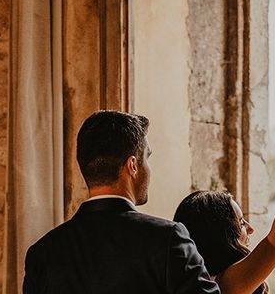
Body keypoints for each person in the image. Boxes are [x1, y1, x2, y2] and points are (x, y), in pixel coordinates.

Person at [23, 110, 220, 294]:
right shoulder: (168, 239)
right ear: (132, 165)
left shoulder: (42, 253)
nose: (149, 169)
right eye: (147, 158)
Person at [174, 99, 275, 294]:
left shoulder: (196, 283)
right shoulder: (225, 285)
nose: (250, 229)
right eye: (240, 223)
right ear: (219, 235)